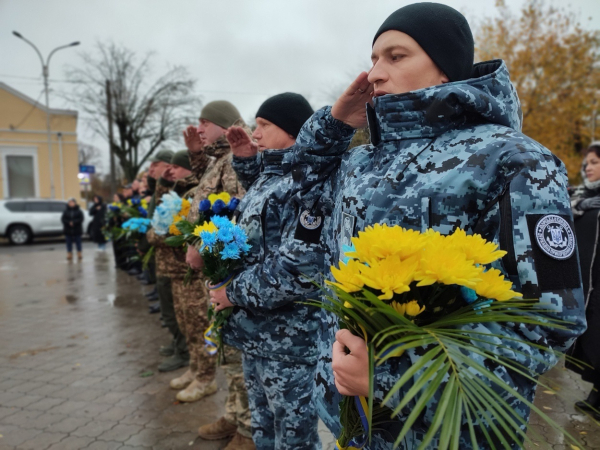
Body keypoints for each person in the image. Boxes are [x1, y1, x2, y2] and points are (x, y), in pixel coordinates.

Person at [290, 3, 586, 448]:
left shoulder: (512, 159)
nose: (373, 73)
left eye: (396, 56)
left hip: (448, 428)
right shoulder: (358, 161)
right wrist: (334, 124)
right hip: (350, 416)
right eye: (372, 59)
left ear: (446, 69)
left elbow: (549, 321)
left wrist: (390, 376)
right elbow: (296, 184)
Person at [208, 93, 321, 450]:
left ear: (291, 130)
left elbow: (296, 270)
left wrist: (232, 292)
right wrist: (245, 161)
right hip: (258, 334)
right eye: (255, 125)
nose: (255, 133)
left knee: (294, 437)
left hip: (289, 340)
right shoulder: (271, 177)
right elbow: (262, 230)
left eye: (264, 125)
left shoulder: (305, 184)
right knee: (265, 431)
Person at [168, 101, 247, 409]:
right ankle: (234, 415)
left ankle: (244, 425)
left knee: (235, 353)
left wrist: (202, 248)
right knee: (225, 346)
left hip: (227, 269)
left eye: (205, 122)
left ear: (225, 125)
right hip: (217, 270)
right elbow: (206, 188)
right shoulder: (220, 158)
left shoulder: (238, 159)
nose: (198, 128)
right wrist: (196, 153)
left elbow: (232, 214)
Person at [146, 150, 198, 373]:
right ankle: (180, 348)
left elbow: (173, 231)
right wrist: (163, 184)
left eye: (176, 167)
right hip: (165, 264)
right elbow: (158, 212)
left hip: (178, 267)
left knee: (184, 319)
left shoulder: (192, 193)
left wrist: (153, 236)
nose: (172, 171)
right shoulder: (177, 190)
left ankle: (185, 354)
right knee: (171, 313)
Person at [567, 141, 600, 416]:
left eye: (594, 162)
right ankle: (596, 393)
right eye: (587, 163)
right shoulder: (581, 196)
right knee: (592, 339)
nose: (588, 167)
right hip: (589, 282)